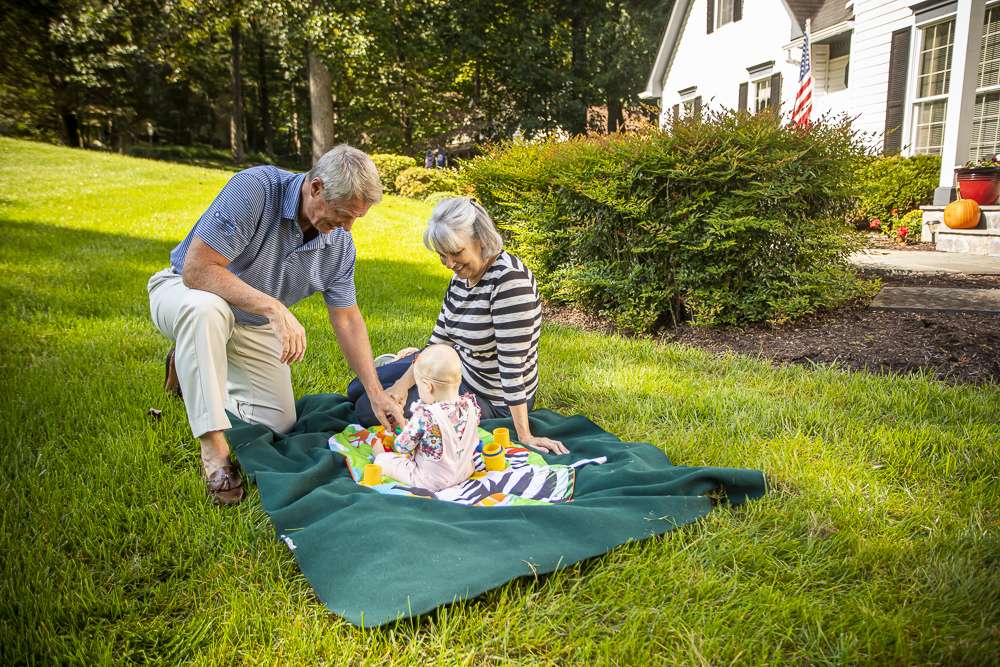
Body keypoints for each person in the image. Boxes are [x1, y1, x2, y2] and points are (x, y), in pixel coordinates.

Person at [148, 144, 404, 505]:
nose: (346, 227)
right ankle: (214, 452)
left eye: (355, 219)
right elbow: (197, 270)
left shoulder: (340, 245)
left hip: (250, 324)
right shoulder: (255, 189)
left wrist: (376, 392)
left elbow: (347, 318)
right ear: (315, 187)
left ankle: (191, 362)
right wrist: (274, 308)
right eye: (342, 214)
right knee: (206, 310)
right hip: (184, 293)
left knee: (277, 423)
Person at [347, 197, 567, 455]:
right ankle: (398, 371)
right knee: (358, 389)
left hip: (494, 399)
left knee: (365, 410)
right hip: (458, 371)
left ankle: (401, 374)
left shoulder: (510, 284)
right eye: (443, 255)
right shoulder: (461, 279)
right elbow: (438, 343)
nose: (450, 263)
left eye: (456, 253)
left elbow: (512, 366)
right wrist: (401, 387)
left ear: (482, 240)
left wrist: (525, 435)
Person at [371, 345, 480, 491]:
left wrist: (405, 428)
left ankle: (379, 457)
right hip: (464, 471)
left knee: (387, 461)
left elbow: (403, 447)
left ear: (428, 387)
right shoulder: (471, 405)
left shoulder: (425, 416)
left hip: (430, 480)